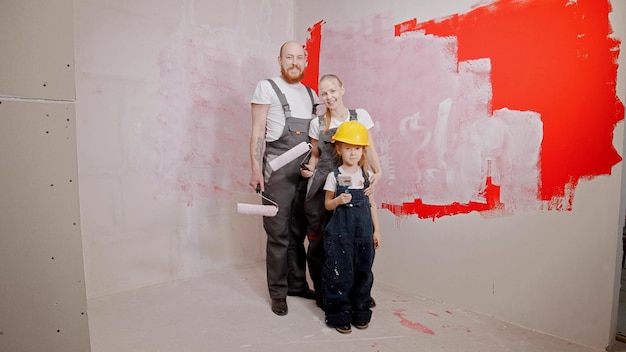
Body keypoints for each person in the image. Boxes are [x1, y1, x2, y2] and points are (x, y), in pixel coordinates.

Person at [249, 41, 319, 316]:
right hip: (275, 173)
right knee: (278, 234)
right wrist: (255, 168)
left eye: (299, 57)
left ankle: (297, 284)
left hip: (304, 173)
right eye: (288, 57)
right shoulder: (266, 87)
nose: (294, 62)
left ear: (306, 61)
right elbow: (256, 131)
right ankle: (278, 293)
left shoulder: (312, 94)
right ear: (279, 60)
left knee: (299, 231)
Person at [300, 74, 382, 308]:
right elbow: (315, 155)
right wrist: (309, 170)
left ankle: (357, 293)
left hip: (353, 181)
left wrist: (379, 172)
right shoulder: (317, 123)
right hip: (322, 186)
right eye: (324, 93)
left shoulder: (360, 116)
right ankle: (323, 292)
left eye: (332, 91)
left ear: (342, 89)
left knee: (356, 241)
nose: (329, 97)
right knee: (319, 241)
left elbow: (371, 149)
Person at [321, 120, 381, 334]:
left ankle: (360, 312)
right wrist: (338, 201)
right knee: (340, 274)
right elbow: (327, 205)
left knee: (363, 273)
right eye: (348, 148)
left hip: (364, 234)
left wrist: (377, 231)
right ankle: (339, 314)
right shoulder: (333, 176)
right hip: (340, 235)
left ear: (363, 151)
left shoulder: (367, 177)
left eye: (357, 148)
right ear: (339, 149)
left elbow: (372, 204)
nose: (353, 153)